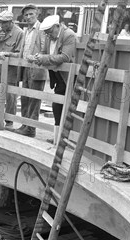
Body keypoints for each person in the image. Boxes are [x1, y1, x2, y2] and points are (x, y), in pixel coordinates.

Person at [32, 14, 76, 145]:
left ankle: (63, 138)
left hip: (67, 77)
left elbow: (65, 57)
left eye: (50, 32)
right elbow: (46, 53)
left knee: (61, 106)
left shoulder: (69, 35)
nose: (48, 35)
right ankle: (58, 137)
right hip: (57, 75)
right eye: (46, 33)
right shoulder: (48, 37)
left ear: (57, 26)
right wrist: (38, 58)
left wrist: (44, 58)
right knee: (57, 106)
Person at [16, 4, 47, 137]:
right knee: (25, 98)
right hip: (26, 69)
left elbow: (45, 51)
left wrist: (34, 58)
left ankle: (31, 128)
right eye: (26, 15)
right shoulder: (26, 31)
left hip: (37, 69)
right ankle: (24, 124)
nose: (28, 17)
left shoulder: (42, 30)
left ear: (37, 14)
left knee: (34, 100)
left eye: (31, 14)